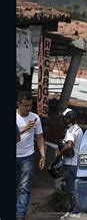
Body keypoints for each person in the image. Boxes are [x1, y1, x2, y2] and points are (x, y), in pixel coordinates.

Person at [16, 91, 46, 220]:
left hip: (27, 156)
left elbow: (39, 137)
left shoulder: (35, 118)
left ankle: (20, 215)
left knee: (24, 187)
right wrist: (24, 129)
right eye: (25, 106)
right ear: (18, 104)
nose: (28, 108)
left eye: (30, 105)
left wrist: (43, 155)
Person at [57, 108, 84, 219]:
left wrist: (59, 155)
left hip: (71, 162)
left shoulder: (71, 131)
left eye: (65, 118)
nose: (64, 120)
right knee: (72, 187)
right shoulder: (78, 129)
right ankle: (72, 209)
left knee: (72, 188)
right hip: (76, 162)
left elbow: (69, 145)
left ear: (69, 118)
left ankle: (76, 211)